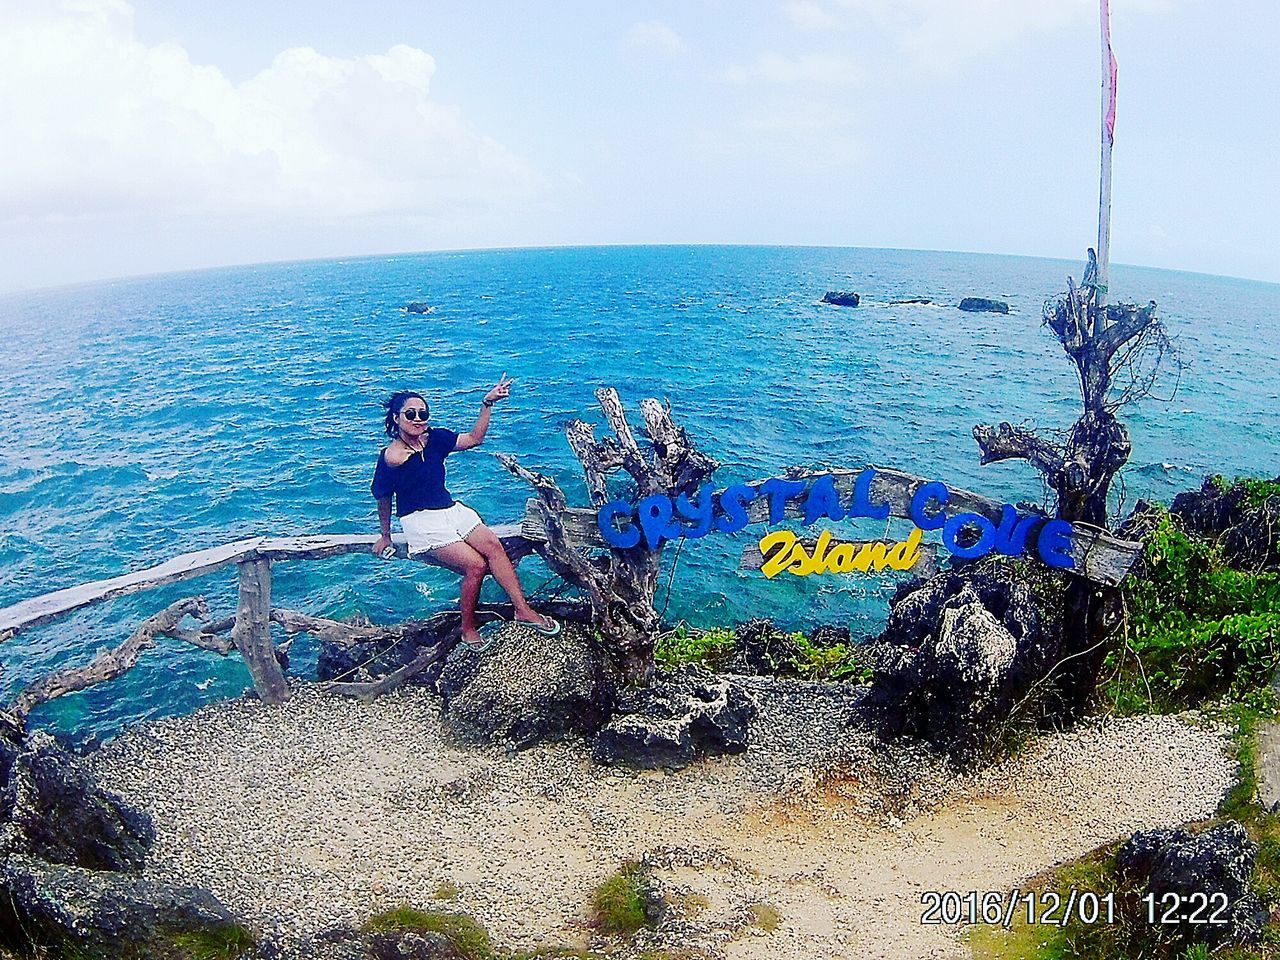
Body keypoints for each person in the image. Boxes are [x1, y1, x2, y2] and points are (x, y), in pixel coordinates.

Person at [371, 375, 560, 650]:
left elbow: (474, 439)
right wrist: (385, 536)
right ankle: (468, 628)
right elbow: (382, 496)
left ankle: (522, 610)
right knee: (476, 566)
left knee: (494, 546)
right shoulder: (392, 457)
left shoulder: (434, 439)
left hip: (450, 510)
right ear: (396, 418)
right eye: (410, 414)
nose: (417, 418)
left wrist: (487, 403)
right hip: (420, 520)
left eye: (422, 413)